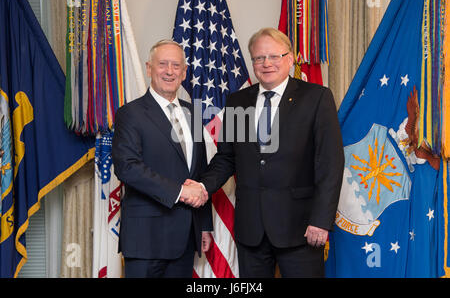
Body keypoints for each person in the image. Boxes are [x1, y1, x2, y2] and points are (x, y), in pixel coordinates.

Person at [186, 28, 344, 277]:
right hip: (251, 229)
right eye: (259, 58)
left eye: (274, 56)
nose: (266, 63)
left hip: (301, 227)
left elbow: (330, 164)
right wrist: (203, 187)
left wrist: (321, 220)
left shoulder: (316, 98)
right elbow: (227, 157)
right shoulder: (238, 101)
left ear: (289, 59)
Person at [112, 39, 212, 278]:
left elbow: (199, 172)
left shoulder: (193, 112)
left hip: (186, 237)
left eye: (176, 66)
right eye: (163, 64)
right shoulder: (130, 113)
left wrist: (204, 225)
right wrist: (180, 191)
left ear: (184, 72)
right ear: (149, 68)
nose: (169, 71)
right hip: (146, 239)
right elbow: (127, 167)